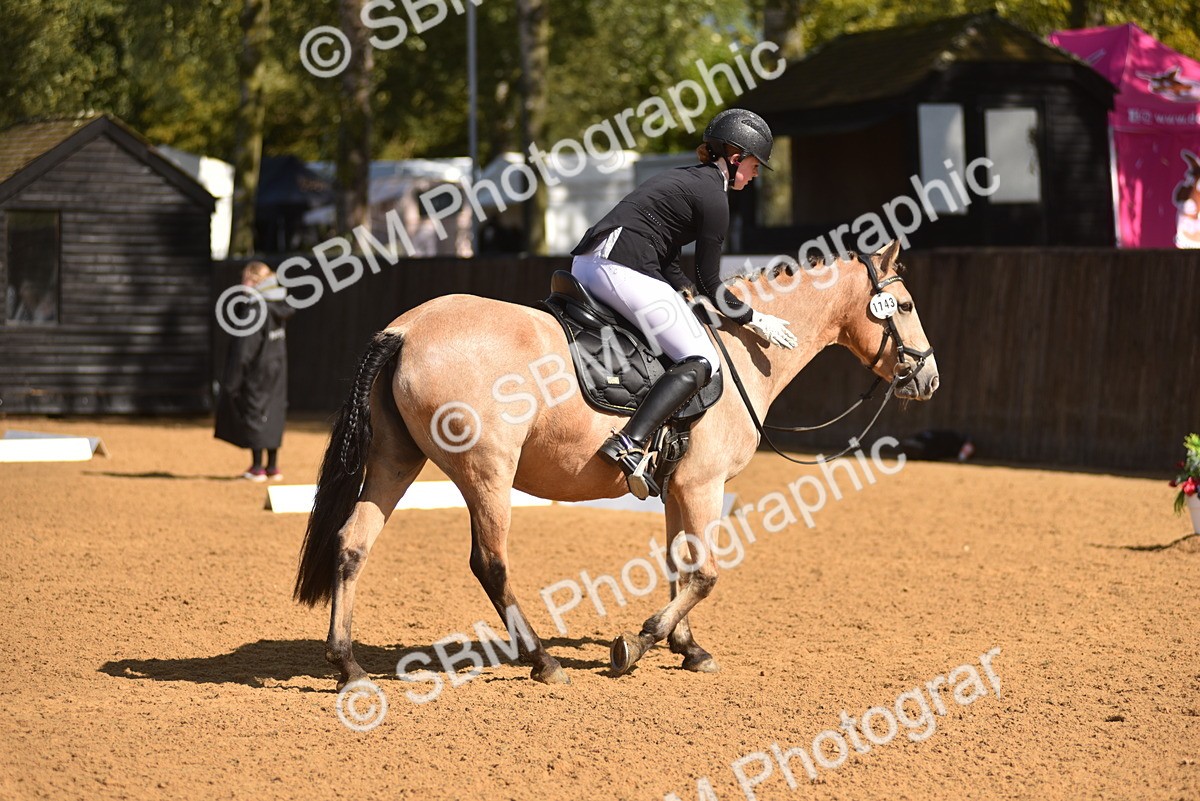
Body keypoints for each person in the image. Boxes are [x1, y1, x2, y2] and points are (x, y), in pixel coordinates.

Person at [570, 109, 799, 500]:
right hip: (619, 267)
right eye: (756, 164)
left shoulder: (690, 180)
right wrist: (754, 317)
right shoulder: (715, 198)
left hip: (593, 262)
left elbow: (670, 261)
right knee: (700, 357)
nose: (757, 174)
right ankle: (630, 443)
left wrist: (686, 293)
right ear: (735, 156)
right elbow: (712, 282)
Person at [214, 261, 294, 481]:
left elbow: (245, 348)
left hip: (257, 369)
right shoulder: (278, 302)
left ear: (254, 281)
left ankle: (257, 467)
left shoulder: (256, 306)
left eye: (246, 280)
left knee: (254, 410)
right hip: (277, 367)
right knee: (274, 411)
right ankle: (273, 467)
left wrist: (232, 379)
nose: (242, 284)